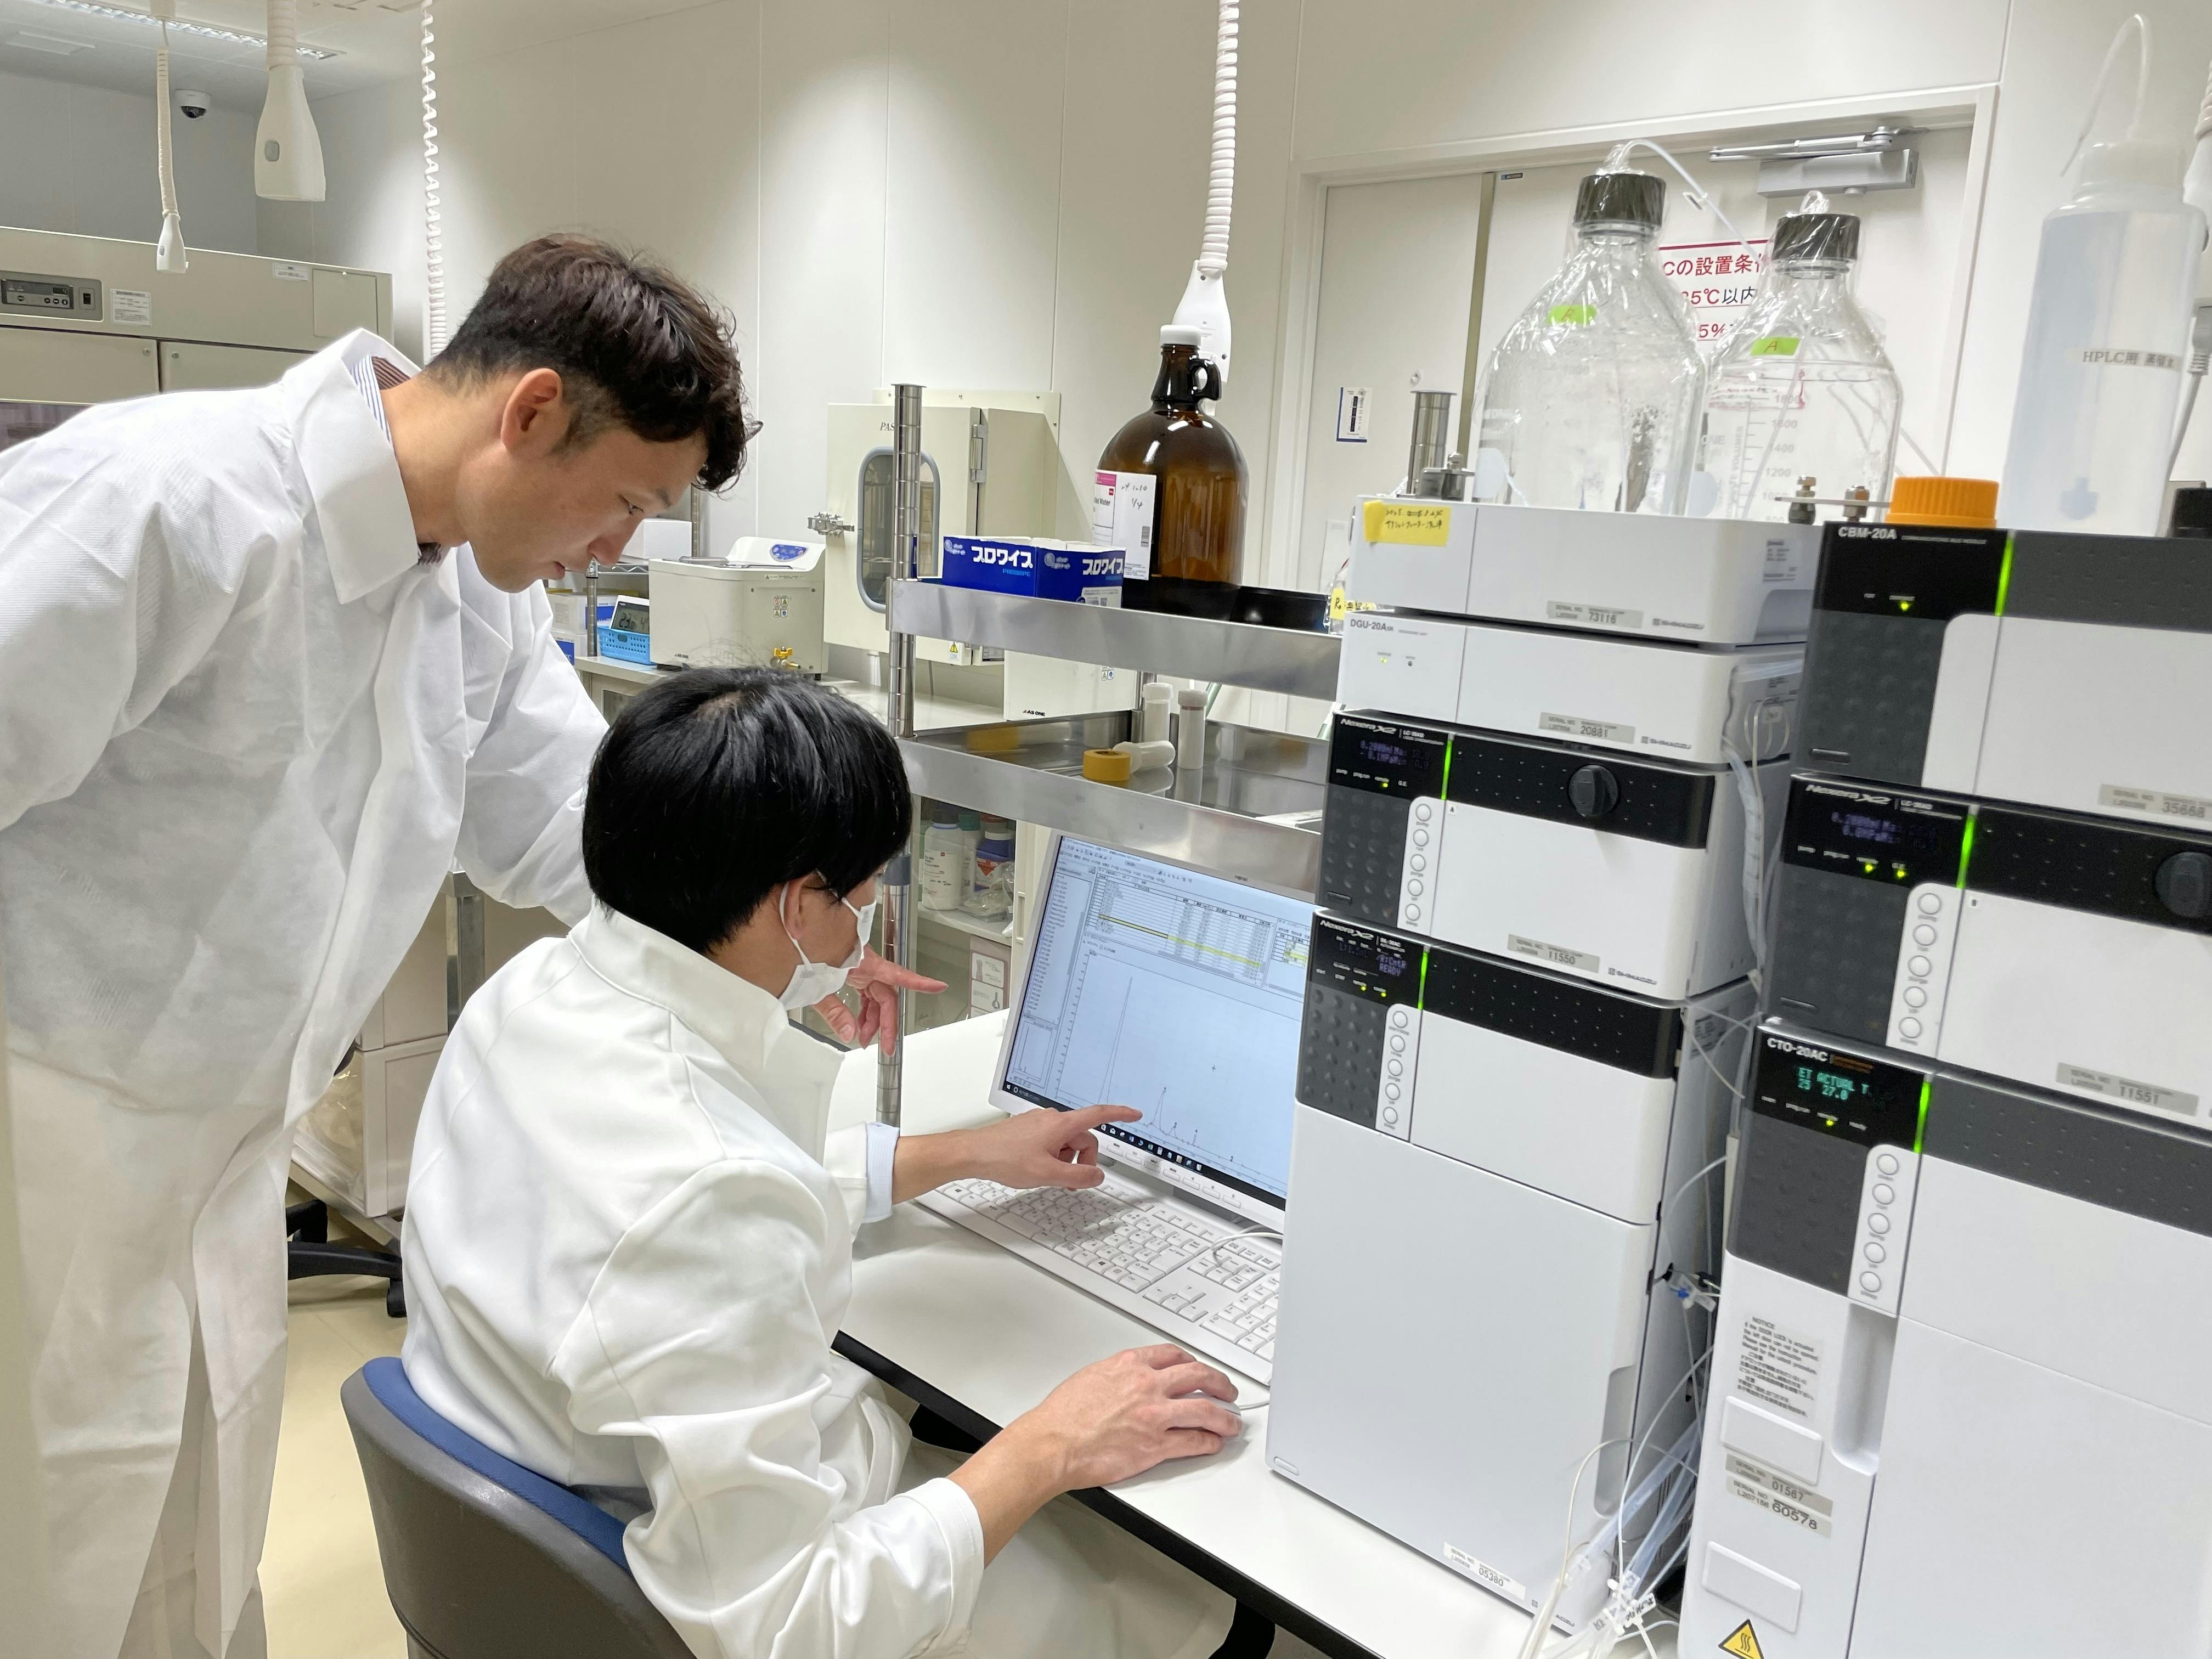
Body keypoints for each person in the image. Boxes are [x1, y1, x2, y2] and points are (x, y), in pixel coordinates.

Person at [0, 234, 931, 1658]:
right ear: (533, 411)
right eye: (628, 503)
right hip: (44, 1150)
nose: (619, 549)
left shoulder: (473, 599)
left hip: (220, 1163)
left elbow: (592, 836)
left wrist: (811, 944)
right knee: (39, 1573)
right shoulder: (174, 505)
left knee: (186, 1575)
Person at [401, 668, 1245, 1659]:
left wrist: (960, 1155)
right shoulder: (712, 1194)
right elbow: (789, 1626)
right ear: (798, 907)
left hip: (573, 1498)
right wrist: (1053, 1443)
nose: (869, 913)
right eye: (861, 891)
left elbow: (656, 1221)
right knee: (1187, 1597)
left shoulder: (530, 993)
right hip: (758, 1595)